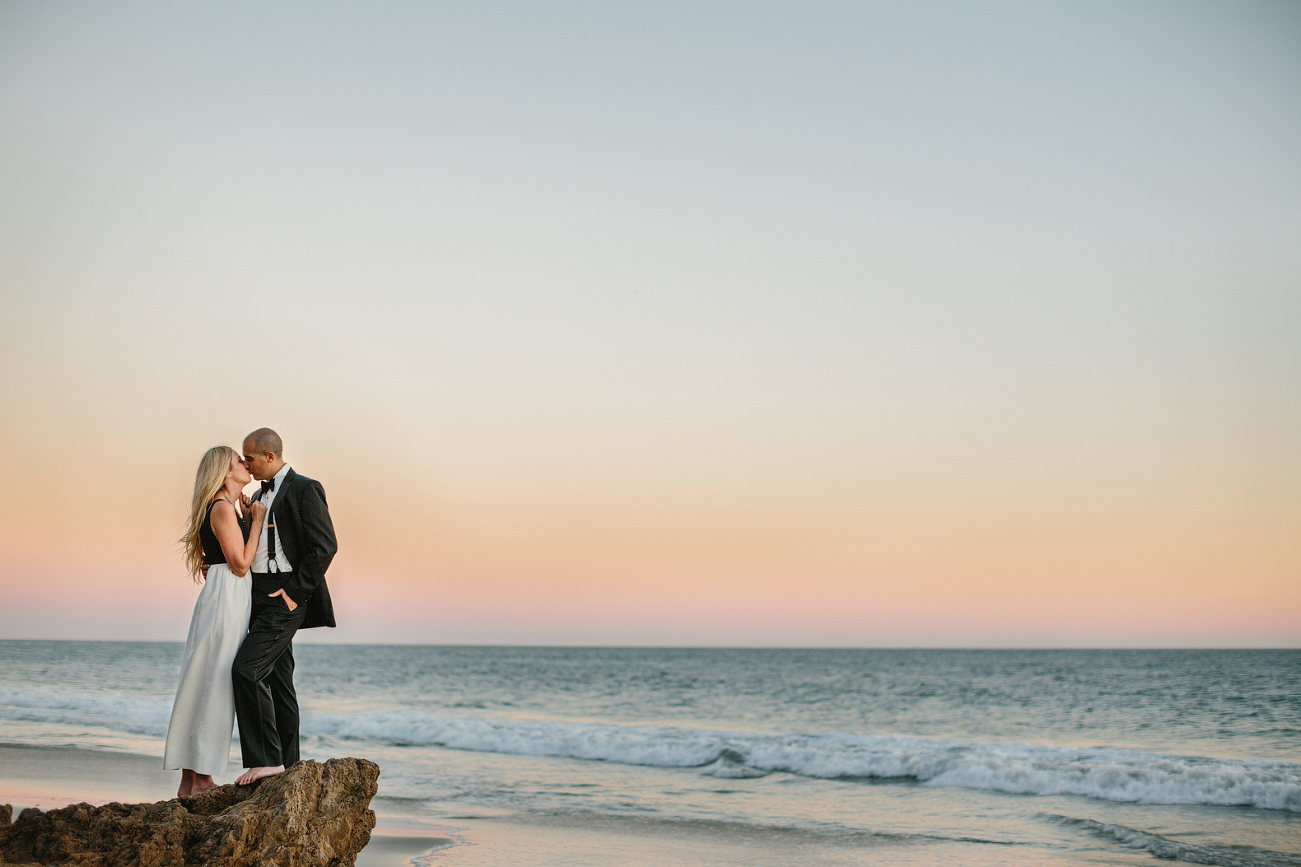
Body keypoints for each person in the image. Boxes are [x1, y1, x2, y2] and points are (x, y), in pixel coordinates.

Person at [232, 428, 338, 785]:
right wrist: (248, 520)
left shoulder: (305, 488)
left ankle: (265, 760)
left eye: (249, 458)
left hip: (285, 594)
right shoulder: (259, 495)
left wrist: (294, 593)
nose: (245, 464)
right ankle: (288, 768)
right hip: (257, 593)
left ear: (270, 457)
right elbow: (262, 547)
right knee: (279, 682)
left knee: (246, 669)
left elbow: (325, 547)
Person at [164, 446, 267, 797]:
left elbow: (227, 561)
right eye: (240, 460)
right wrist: (256, 524)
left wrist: (246, 515)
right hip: (227, 596)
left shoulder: (228, 507)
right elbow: (239, 564)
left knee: (205, 681)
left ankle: (191, 781)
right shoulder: (222, 508)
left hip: (227, 595)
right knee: (215, 683)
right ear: (225, 470)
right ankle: (202, 778)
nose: (246, 463)